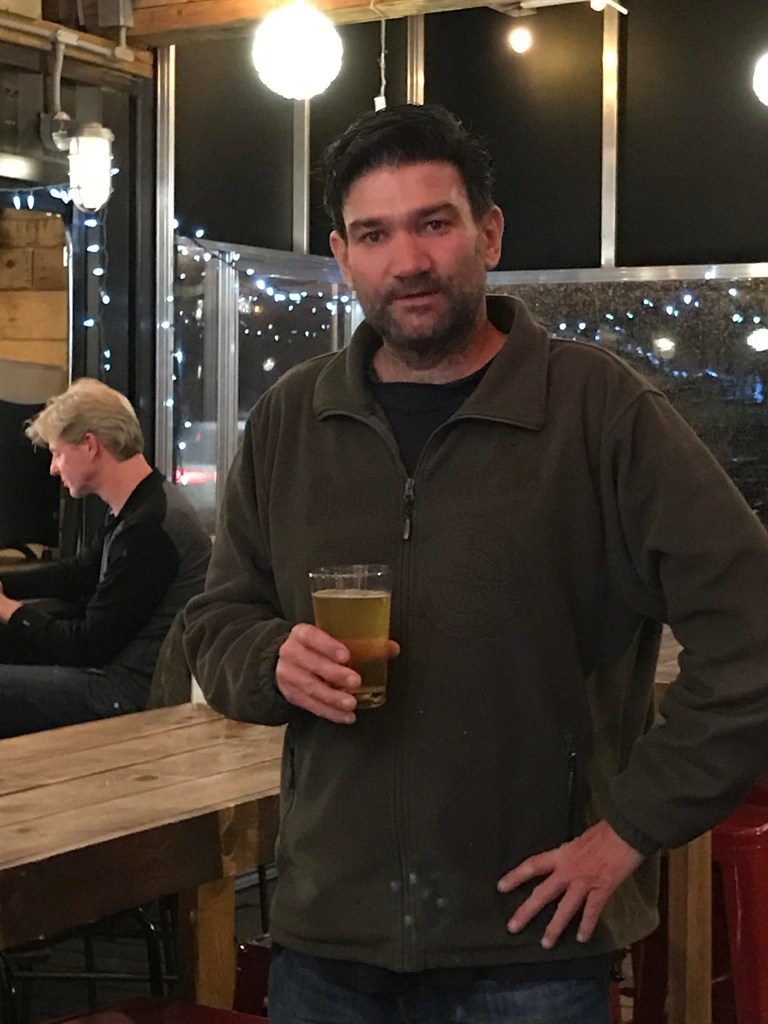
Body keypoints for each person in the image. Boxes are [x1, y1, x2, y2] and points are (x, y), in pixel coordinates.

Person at [183, 104, 768, 1023]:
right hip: (328, 942)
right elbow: (217, 621)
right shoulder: (293, 419)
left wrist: (629, 831)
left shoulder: (596, 410)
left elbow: (752, 630)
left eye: (434, 223)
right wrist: (270, 660)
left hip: (532, 947)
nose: (407, 260)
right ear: (343, 255)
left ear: (489, 234)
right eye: (374, 234)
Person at [0, 378, 211, 738]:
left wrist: (7, 609)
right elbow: (83, 571)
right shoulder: (142, 504)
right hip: (115, 671)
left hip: (128, 692)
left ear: (90, 445)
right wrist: (6, 584)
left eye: (58, 453)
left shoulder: (150, 528)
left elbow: (87, 646)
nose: (53, 468)